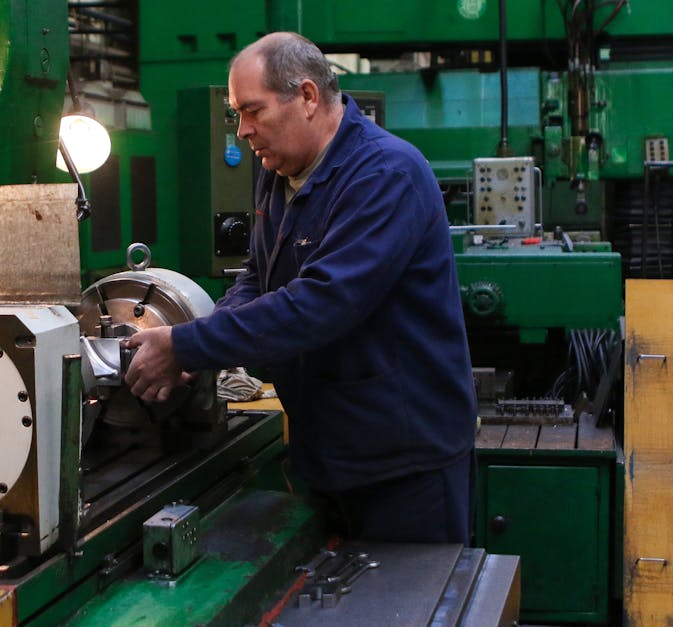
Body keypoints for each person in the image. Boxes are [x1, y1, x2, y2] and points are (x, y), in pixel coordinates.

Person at [122, 32, 477, 544]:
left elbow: (321, 304)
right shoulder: (280, 170)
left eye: (253, 111)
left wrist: (186, 347)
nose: (242, 131)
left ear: (307, 97)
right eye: (236, 114)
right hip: (327, 449)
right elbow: (259, 276)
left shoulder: (385, 174)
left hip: (403, 462)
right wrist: (198, 337)